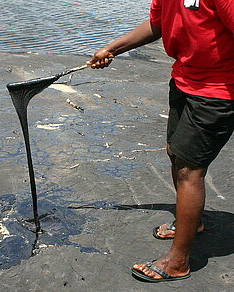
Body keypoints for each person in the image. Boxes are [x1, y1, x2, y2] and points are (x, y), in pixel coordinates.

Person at [87, 0, 234, 282]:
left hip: (217, 91)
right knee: (175, 153)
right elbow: (158, 24)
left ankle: (178, 262)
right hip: (184, 79)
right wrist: (113, 49)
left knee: (189, 170)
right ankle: (190, 223)